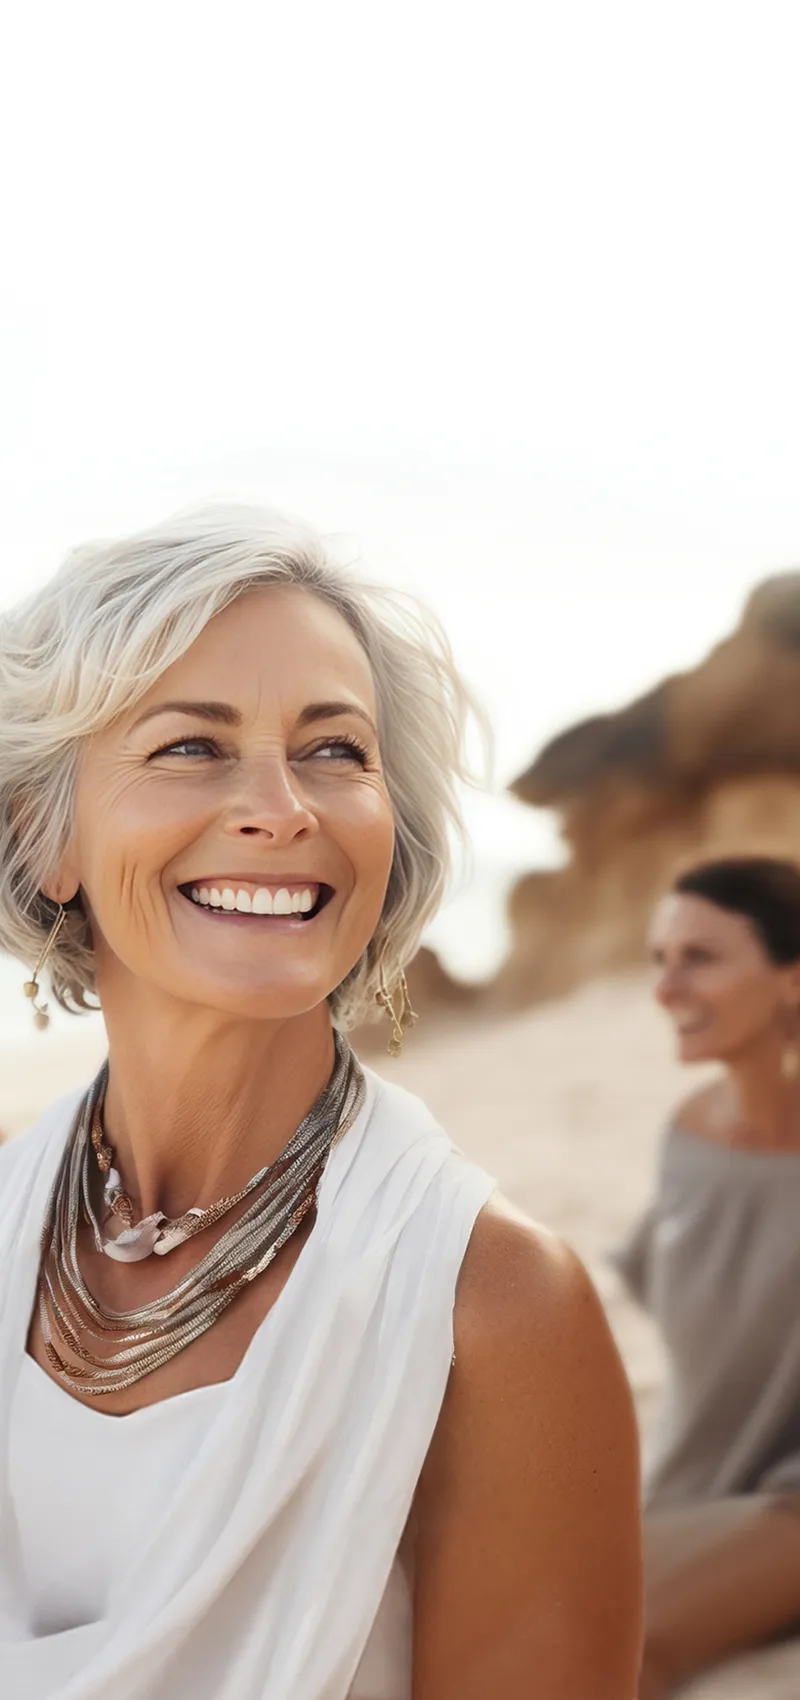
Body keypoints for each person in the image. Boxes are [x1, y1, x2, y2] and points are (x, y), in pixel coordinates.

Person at [0, 506, 641, 1700]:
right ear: (50, 836)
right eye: (191, 746)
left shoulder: (493, 1308)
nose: (282, 807)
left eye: (334, 749)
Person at [612, 856, 800, 1698]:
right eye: (659, 958)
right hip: (687, 1493)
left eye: (701, 957)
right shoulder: (688, 1138)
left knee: (610, 1650)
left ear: (791, 978)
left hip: (791, 1511)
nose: (666, 987)